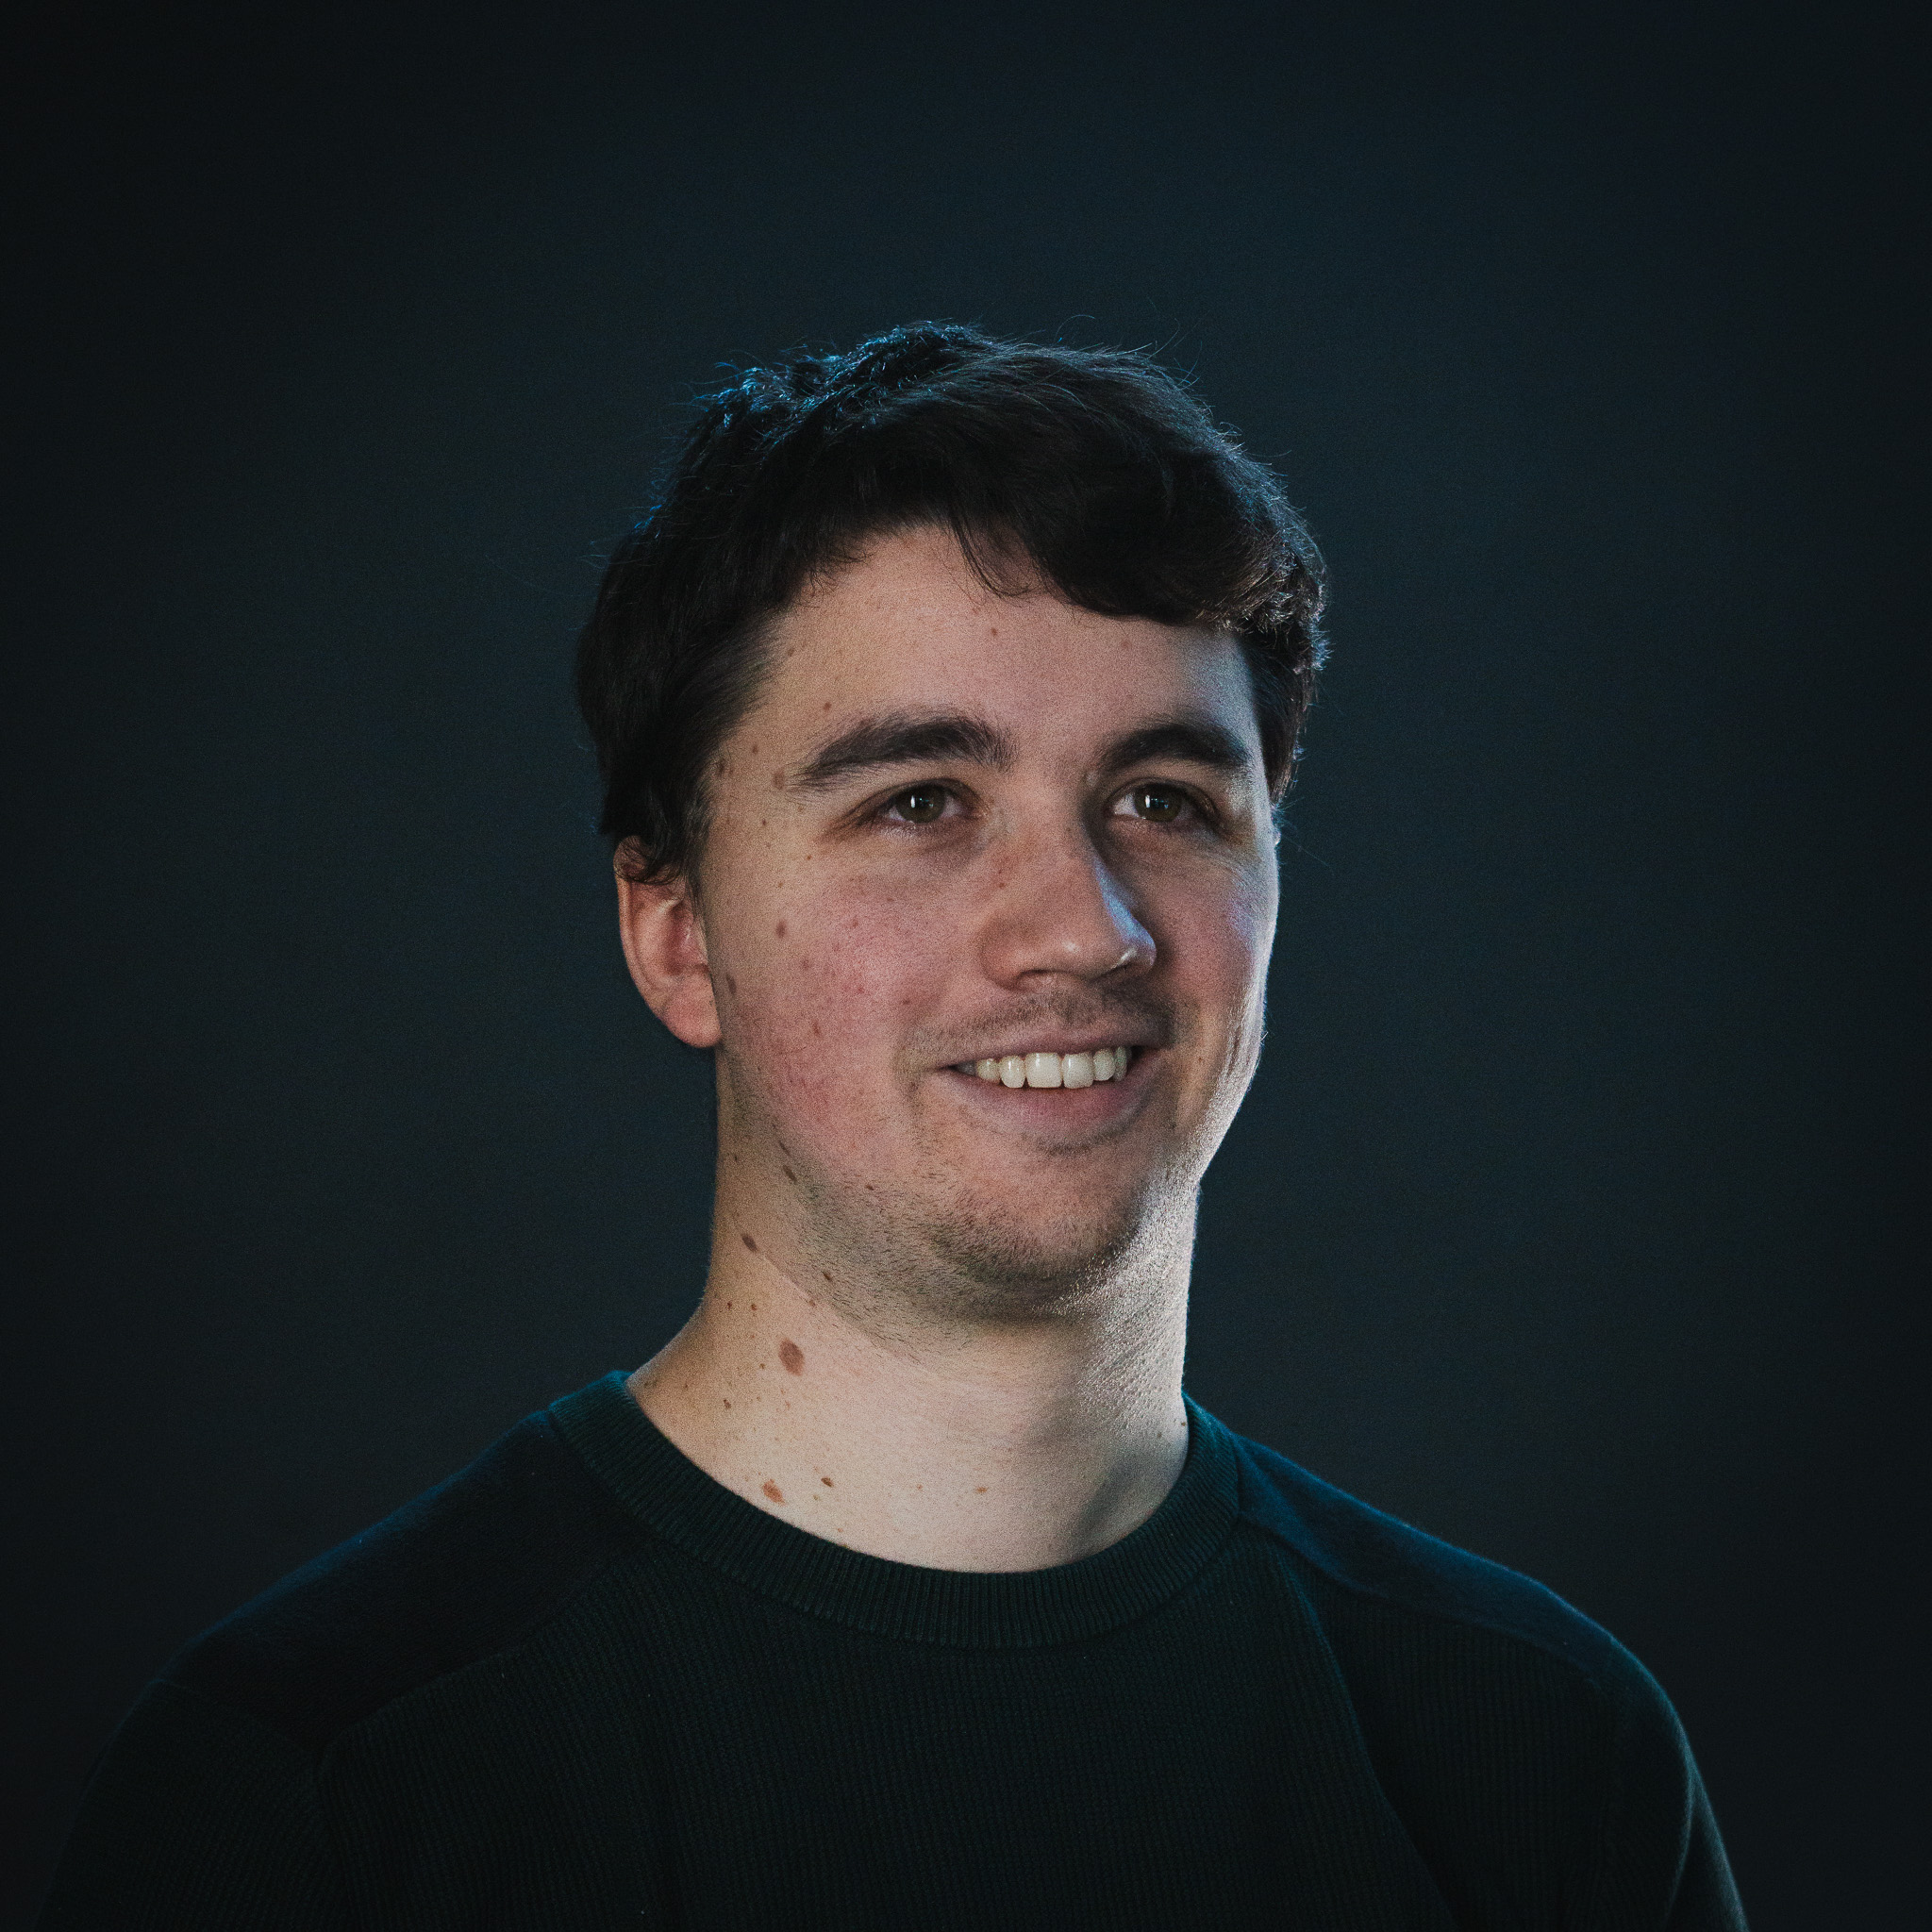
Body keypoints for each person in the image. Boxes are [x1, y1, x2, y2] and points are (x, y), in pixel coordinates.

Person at [39, 324, 1747, 1929]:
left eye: (1165, 800)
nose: (1084, 930)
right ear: (676, 932)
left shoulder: (1546, 1764)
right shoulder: (314, 1792)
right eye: (922, 802)